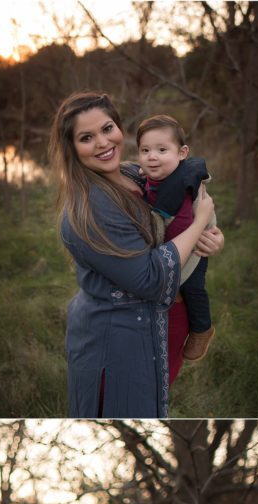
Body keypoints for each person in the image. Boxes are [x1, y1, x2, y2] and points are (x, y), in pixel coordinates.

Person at [49, 92, 223, 417]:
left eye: (107, 128)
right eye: (87, 137)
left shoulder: (134, 172)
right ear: (71, 148)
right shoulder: (89, 208)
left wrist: (211, 235)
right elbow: (152, 278)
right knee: (122, 409)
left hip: (162, 324)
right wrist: (199, 223)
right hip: (120, 341)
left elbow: (187, 207)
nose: (102, 142)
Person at [136, 114, 216, 366]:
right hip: (178, 248)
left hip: (190, 249)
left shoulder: (180, 187)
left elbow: (180, 228)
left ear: (182, 153)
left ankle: (202, 329)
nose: (152, 156)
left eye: (162, 150)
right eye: (145, 150)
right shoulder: (153, 176)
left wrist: (159, 252)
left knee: (193, 288)